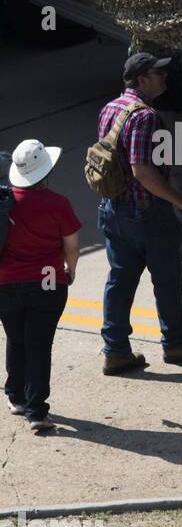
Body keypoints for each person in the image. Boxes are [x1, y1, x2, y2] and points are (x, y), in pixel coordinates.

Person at [96, 52, 182, 374]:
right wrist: (181, 201)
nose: (164, 78)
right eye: (157, 73)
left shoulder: (111, 108)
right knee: (167, 279)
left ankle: (115, 349)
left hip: (114, 210)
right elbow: (141, 170)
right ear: (141, 80)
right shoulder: (143, 116)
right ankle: (176, 343)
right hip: (148, 215)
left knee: (120, 281)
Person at [0, 140, 78, 431]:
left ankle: (16, 395)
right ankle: (36, 411)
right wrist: (70, 269)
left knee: (16, 338)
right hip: (47, 279)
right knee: (39, 343)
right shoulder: (58, 204)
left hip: (6, 281)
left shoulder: (5, 200)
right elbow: (71, 245)